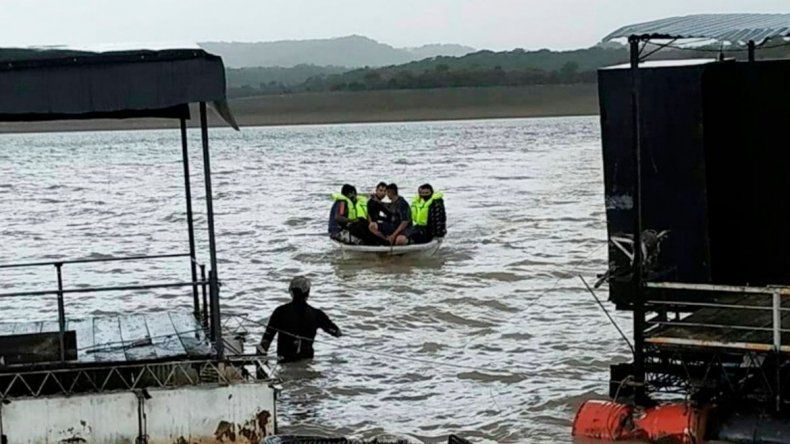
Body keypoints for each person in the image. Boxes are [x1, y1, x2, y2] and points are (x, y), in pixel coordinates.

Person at [257, 276, 341, 362]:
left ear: (291, 292)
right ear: (308, 293)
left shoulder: (280, 312)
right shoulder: (316, 314)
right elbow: (336, 332)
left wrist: (260, 361)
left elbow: (266, 341)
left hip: (285, 363)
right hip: (307, 364)